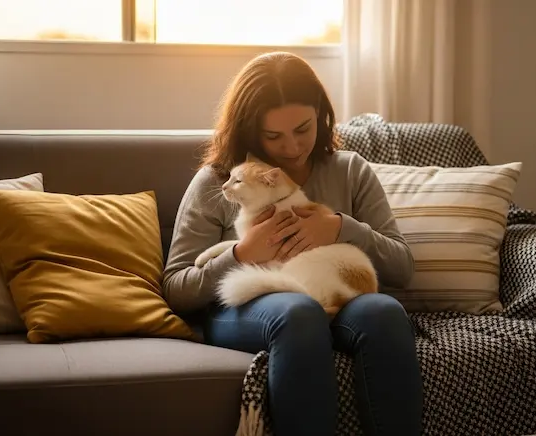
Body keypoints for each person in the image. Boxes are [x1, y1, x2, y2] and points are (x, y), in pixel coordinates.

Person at [162, 51, 423, 436]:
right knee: (299, 314)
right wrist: (243, 254)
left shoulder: (350, 171)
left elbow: (402, 268)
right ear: (251, 131)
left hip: (334, 295)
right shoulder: (217, 182)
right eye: (273, 136)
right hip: (245, 307)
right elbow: (176, 288)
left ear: (320, 113)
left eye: (303, 128)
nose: (292, 147)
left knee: (383, 312)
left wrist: (339, 227)